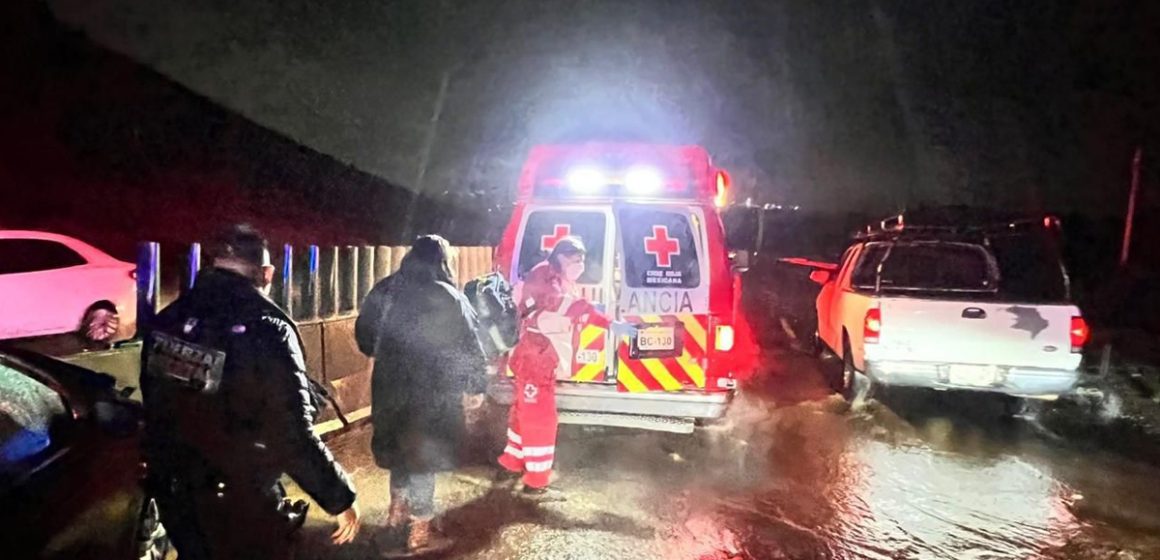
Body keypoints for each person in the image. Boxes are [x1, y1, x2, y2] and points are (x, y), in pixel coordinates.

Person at [140, 224, 360, 560]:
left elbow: (156, 398)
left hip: (175, 493)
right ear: (267, 273)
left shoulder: (169, 317)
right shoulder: (267, 326)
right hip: (239, 498)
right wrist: (339, 498)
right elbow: (290, 431)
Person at [355, 235, 487, 554]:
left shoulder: (385, 288)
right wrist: (475, 386)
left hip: (389, 387)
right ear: (442, 261)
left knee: (399, 450)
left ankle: (396, 515)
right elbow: (468, 345)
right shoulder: (449, 296)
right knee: (421, 456)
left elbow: (364, 336)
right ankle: (420, 530)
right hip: (431, 391)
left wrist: (386, 353)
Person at [497, 237, 608, 499]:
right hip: (535, 358)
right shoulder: (546, 277)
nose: (580, 264)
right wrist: (607, 321)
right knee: (540, 418)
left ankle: (512, 462)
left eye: (582, 259)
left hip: (537, 356)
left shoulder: (555, 275)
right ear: (560, 256)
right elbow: (562, 304)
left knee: (524, 410)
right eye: (575, 258)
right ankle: (536, 481)